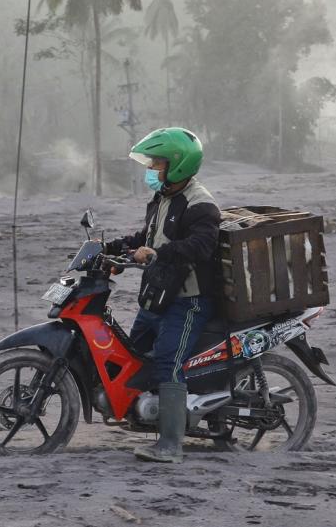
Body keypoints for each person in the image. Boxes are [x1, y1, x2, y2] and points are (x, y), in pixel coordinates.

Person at [105, 127, 220, 463]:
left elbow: (202, 245)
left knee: (168, 362)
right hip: (159, 293)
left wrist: (157, 254)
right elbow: (148, 235)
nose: (151, 170)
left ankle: (170, 444)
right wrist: (115, 246)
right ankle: (142, 414)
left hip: (189, 299)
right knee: (135, 350)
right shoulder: (163, 197)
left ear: (178, 165)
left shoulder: (201, 205)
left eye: (157, 164)